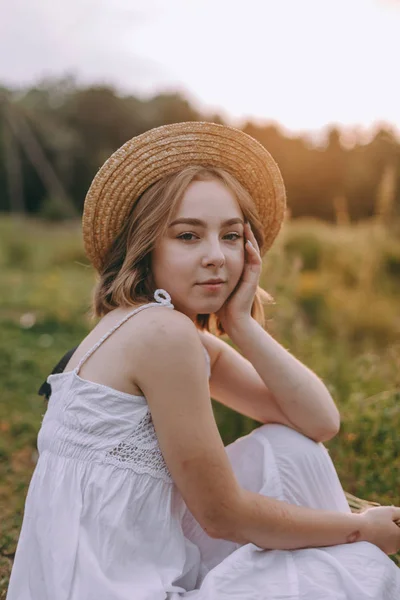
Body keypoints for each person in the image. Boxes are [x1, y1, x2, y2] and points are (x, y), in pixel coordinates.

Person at [7, 122, 400, 599]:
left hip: (98, 570)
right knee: (357, 565)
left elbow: (318, 421)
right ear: (146, 244)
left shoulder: (153, 325)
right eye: (189, 236)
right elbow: (222, 515)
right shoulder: (162, 335)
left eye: (231, 237)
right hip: (112, 588)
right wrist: (359, 529)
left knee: (290, 448)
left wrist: (241, 323)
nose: (216, 256)